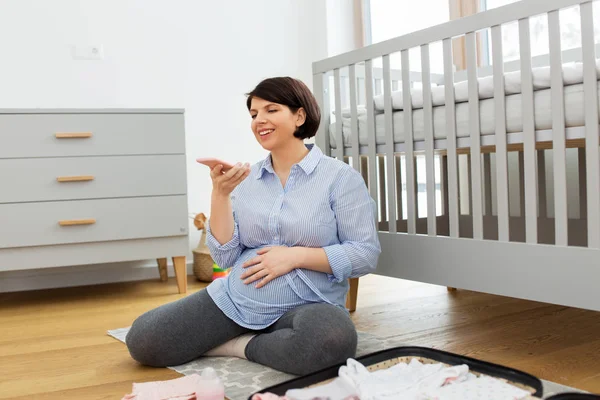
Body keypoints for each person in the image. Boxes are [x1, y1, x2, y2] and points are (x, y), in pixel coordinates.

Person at [125, 76, 381, 376]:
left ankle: (239, 346)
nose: (259, 120)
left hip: (310, 304)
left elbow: (364, 254)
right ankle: (257, 341)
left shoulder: (340, 178)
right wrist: (220, 194)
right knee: (143, 339)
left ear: (299, 116)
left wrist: (294, 256)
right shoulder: (246, 180)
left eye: (271, 110)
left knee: (332, 341)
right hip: (238, 300)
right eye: (254, 114)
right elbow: (225, 257)